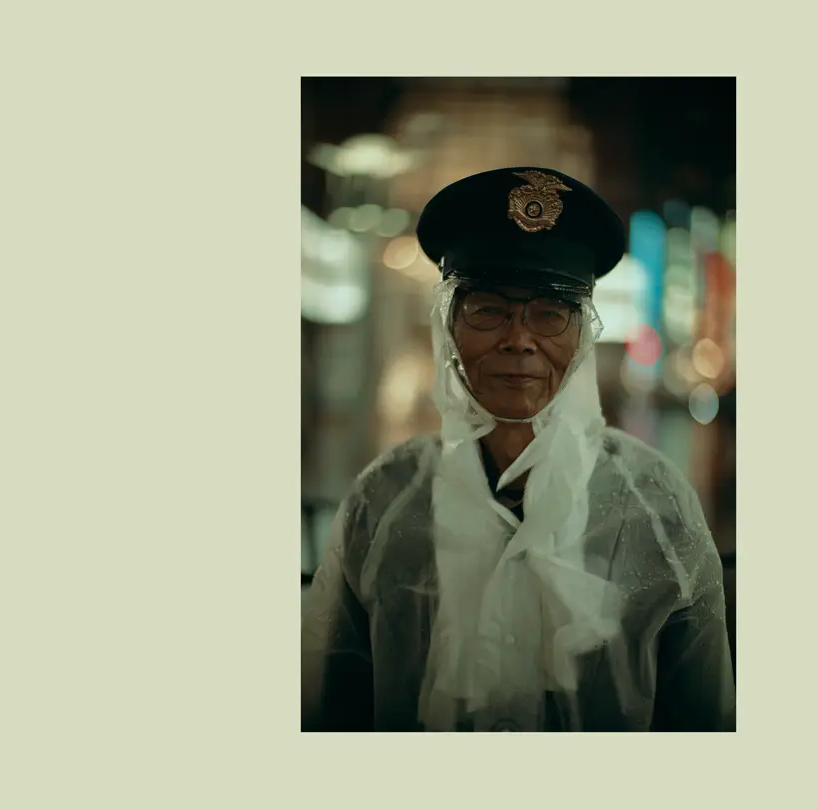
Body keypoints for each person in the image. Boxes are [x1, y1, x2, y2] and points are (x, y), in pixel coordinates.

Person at [301, 167, 735, 732]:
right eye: (488, 309)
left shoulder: (655, 504)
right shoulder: (384, 500)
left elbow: (704, 720)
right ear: (449, 324)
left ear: (583, 332)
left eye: (550, 313)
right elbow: (331, 710)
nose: (519, 339)